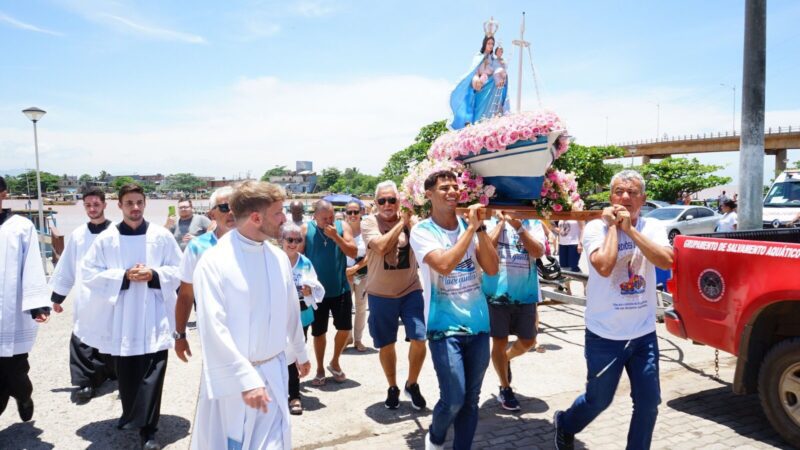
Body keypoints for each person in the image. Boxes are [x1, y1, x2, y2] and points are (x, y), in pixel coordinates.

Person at [554, 170, 673, 450]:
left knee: (648, 403)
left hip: (643, 334)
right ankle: (567, 423)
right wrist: (613, 229)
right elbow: (605, 267)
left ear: (643, 199)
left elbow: (667, 261)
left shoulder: (652, 227)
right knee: (599, 400)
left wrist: (630, 230)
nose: (625, 197)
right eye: (619, 191)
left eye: (632, 192)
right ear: (610, 197)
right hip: (604, 335)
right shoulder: (596, 228)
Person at [191, 181, 310, 449]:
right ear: (256, 218)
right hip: (237, 385)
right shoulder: (214, 263)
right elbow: (213, 329)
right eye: (279, 213)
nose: (284, 219)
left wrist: (299, 353)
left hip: (274, 371)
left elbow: (290, 309)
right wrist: (245, 380)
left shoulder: (278, 257)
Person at [81, 183, 182, 450]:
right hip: (122, 317)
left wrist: (154, 274)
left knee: (154, 371)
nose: (135, 208)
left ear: (145, 204)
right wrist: (123, 276)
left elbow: (180, 269)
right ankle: (132, 416)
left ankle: (149, 430)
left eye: (139, 202)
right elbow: (89, 273)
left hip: (154, 315)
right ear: (120, 206)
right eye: (129, 203)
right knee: (128, 374)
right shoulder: (106, 239)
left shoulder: (161, 236)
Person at [409, 170, 499, 450]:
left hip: (478, 324)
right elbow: (444, 264)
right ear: (429, 195)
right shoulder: (422, 231)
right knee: (454, 398)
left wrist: (480, 228)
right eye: (444, 188)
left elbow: (493, 268)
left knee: (471, 400)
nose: (451, 192)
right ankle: (435, 436)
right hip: (443, 327)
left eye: (454, 187)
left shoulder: (470, 226)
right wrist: (470, 229)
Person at [362, 181, 428, 410]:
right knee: (386, 344)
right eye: (382, 201)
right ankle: (393, 386)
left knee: (420, 338)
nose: (387, 205)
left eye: (392, 200)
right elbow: (380, 247)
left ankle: (412, 383)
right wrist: (402, 222)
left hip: (410, 289)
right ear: (376, 203)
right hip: (380, 293)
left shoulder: (411, 221)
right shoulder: (369, 222)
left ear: (399, 201)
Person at [50, 187, 115, 403]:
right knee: (82, 336)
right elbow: (67, 266)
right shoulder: (78, 235)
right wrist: (58, 297)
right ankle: (85, 382)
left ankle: (112, 373)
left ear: (105, 205)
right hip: (86, 296)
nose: (92, 209)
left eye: (96, 204)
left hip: (111, 296)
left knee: (112, 336)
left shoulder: (117, 232)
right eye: (88, 205)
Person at [482, 211, 546, 411]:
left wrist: (519, 227)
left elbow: (538, 251)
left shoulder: (532, 220)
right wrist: (501, 223)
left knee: (529, 341)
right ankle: (505, 387)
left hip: (525, 293)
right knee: (499, 341)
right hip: (496, 293)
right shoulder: (489, 219)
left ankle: (506, 359)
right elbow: (484, 249)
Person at [0, 175, 51, 423]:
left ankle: (23, 396)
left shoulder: (19, 226)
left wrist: (37, 304)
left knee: (15, 369)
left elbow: (31, 265)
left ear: (3, 194)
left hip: (10, 312)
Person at [174, 186, 236, 363]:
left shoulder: (256, 245)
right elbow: (185, 295)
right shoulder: (197, 247)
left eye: (236, 206)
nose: (231, 212)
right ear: (212, 214)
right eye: (224, 207)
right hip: (213, 329)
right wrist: (180, 335)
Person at [301, 200, 357, 386]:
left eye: (332, 216)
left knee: (344, 328)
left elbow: (353, 252)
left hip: (340, 288)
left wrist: (336, 237)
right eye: (324, 218)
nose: (329, 220)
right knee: (319, 332)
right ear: (314, 215)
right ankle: (319, 368)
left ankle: (334, 362)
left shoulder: (342, 226)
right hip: (316, 292)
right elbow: (298, 259)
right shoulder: (305, 229)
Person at [280, 223, 324, 416]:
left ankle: (294, 395)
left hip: (302, 314)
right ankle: (284, 391)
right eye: (289, 239)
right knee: (281, 353)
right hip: (279, 316)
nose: (293, 244)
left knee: (297, 353)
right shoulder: (273, 260)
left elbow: (317, 287)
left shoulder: (305, 262)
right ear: (281, 240)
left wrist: (310, 290)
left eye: (298, 240)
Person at [449, 21, 508, 130]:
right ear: (484, 43)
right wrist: (477, 80)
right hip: (481, 88)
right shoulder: (478, 56)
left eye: (492, 44)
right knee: (479, 114)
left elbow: (498, 71)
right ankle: (478, 130)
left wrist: (500, 75)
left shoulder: (494, 59)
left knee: (491, 115)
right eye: (489, 43)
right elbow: (474, 72)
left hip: (491, 88)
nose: (491, 46)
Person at [344, 200, 368, 352]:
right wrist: (347, 271)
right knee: (344, 308)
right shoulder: (341, 230)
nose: (353, 215)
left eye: (355, 212)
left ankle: (358, 339)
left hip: (361, 273)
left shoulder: (366, 231)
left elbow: (372, 253)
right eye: (349, 212)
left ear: (361, 213)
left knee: (360, 306)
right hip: (345, 274)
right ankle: (347, 337)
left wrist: (355, 269)